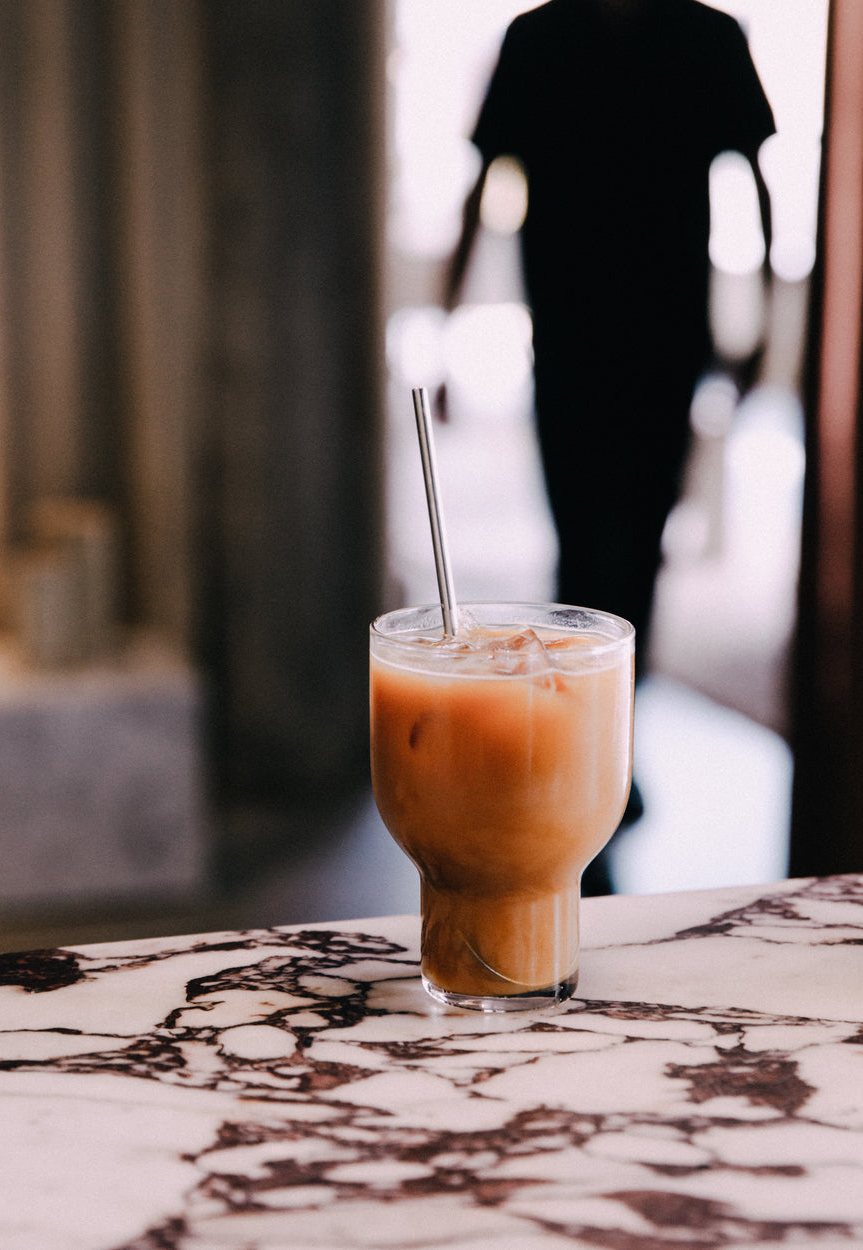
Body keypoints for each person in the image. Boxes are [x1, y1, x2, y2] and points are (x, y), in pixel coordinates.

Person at [438, 0, 775, 894]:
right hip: (573, 341)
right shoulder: (535, 39)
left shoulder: (708, 37)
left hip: (666, 340)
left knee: (634, 556)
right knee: (584, 551)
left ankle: (602, 751)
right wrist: (444, 329)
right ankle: (585, 755)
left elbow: (755, 178)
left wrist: (766, 322)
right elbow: (484, 184)